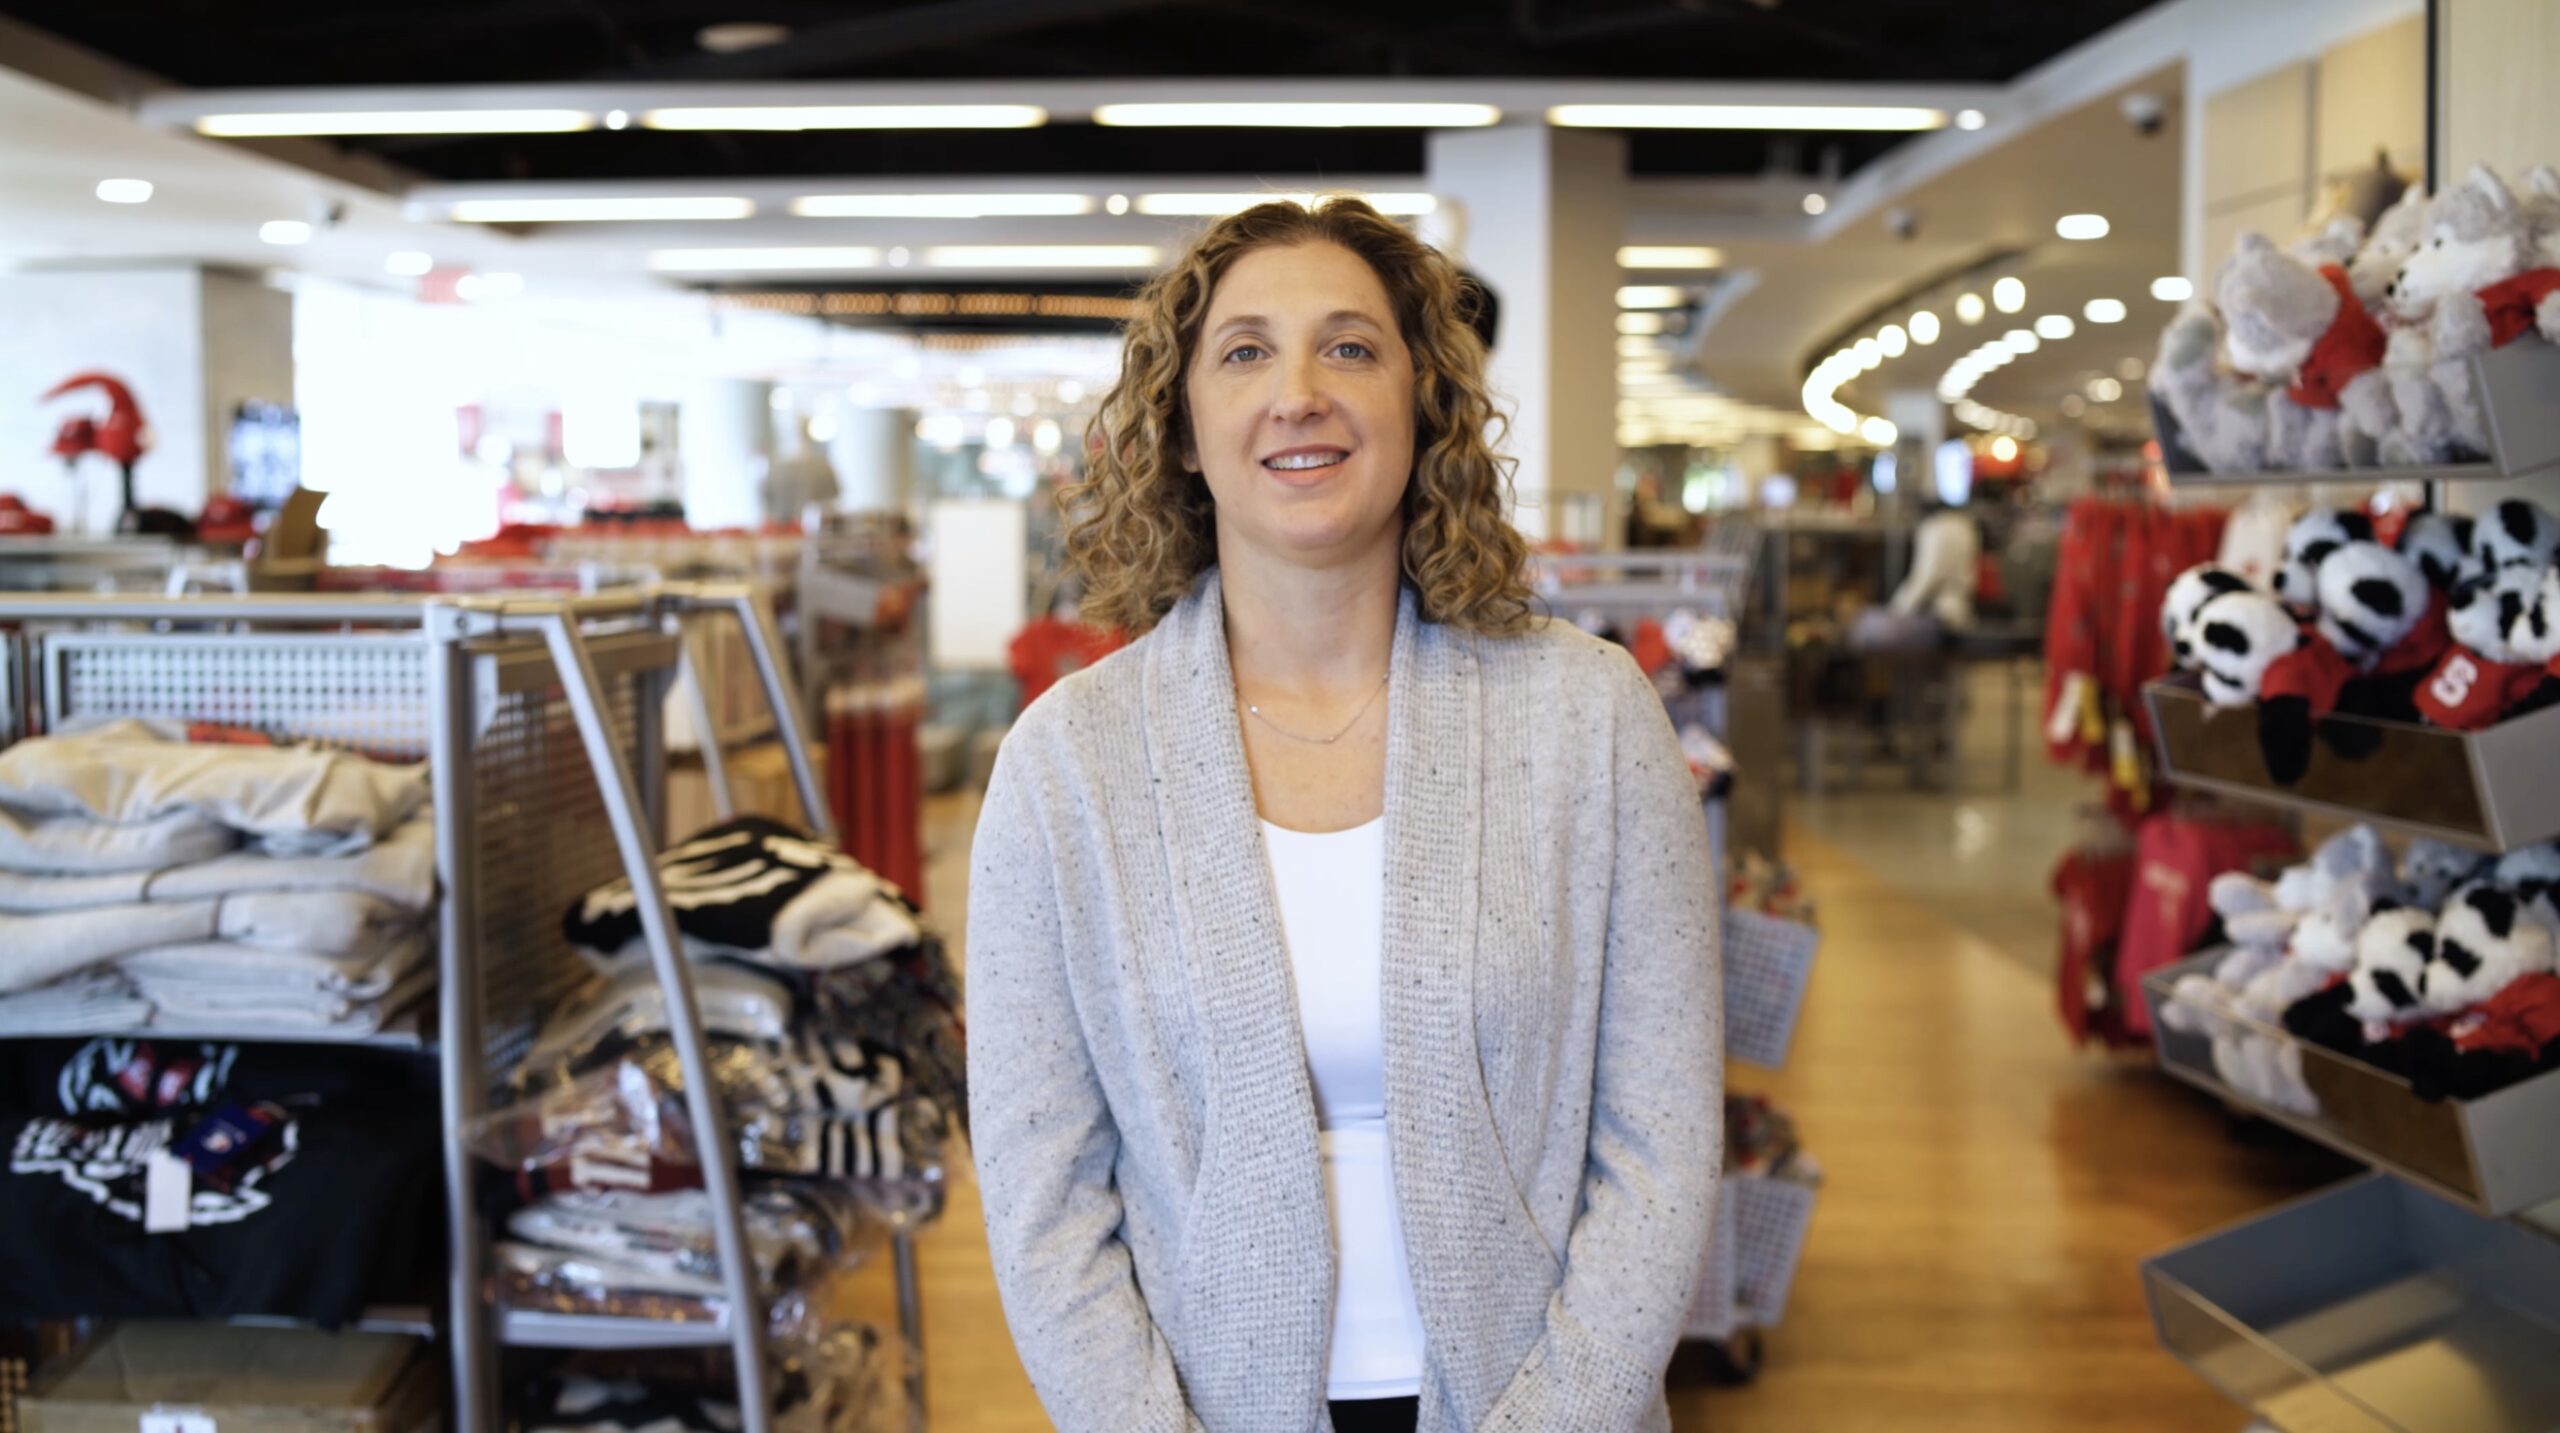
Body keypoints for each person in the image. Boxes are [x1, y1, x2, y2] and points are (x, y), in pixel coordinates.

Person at [966, 197, 1722, 1433]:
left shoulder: (1589, 718)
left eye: (1352, 347)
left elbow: (1662, 1138)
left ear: (1422, 407)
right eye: (1246, 350)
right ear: (1184, 429)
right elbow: (1042, 1197)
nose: (1300, 391)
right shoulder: (1067, 767)